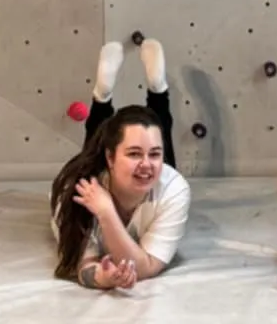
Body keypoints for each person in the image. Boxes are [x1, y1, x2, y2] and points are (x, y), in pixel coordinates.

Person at [50, 38, 189, 292]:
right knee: (99, 143)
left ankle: (156, 91)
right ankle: (103, 97)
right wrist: (105, 278)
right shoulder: (77, 193)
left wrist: (106, 214)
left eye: (153, 156)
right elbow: (84, 265)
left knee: (157, 142)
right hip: (95, 173)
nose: (146, 164)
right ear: (110, 159)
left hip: (135, 180)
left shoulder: (173, 184)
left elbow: (146, 267)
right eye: (134, 154)